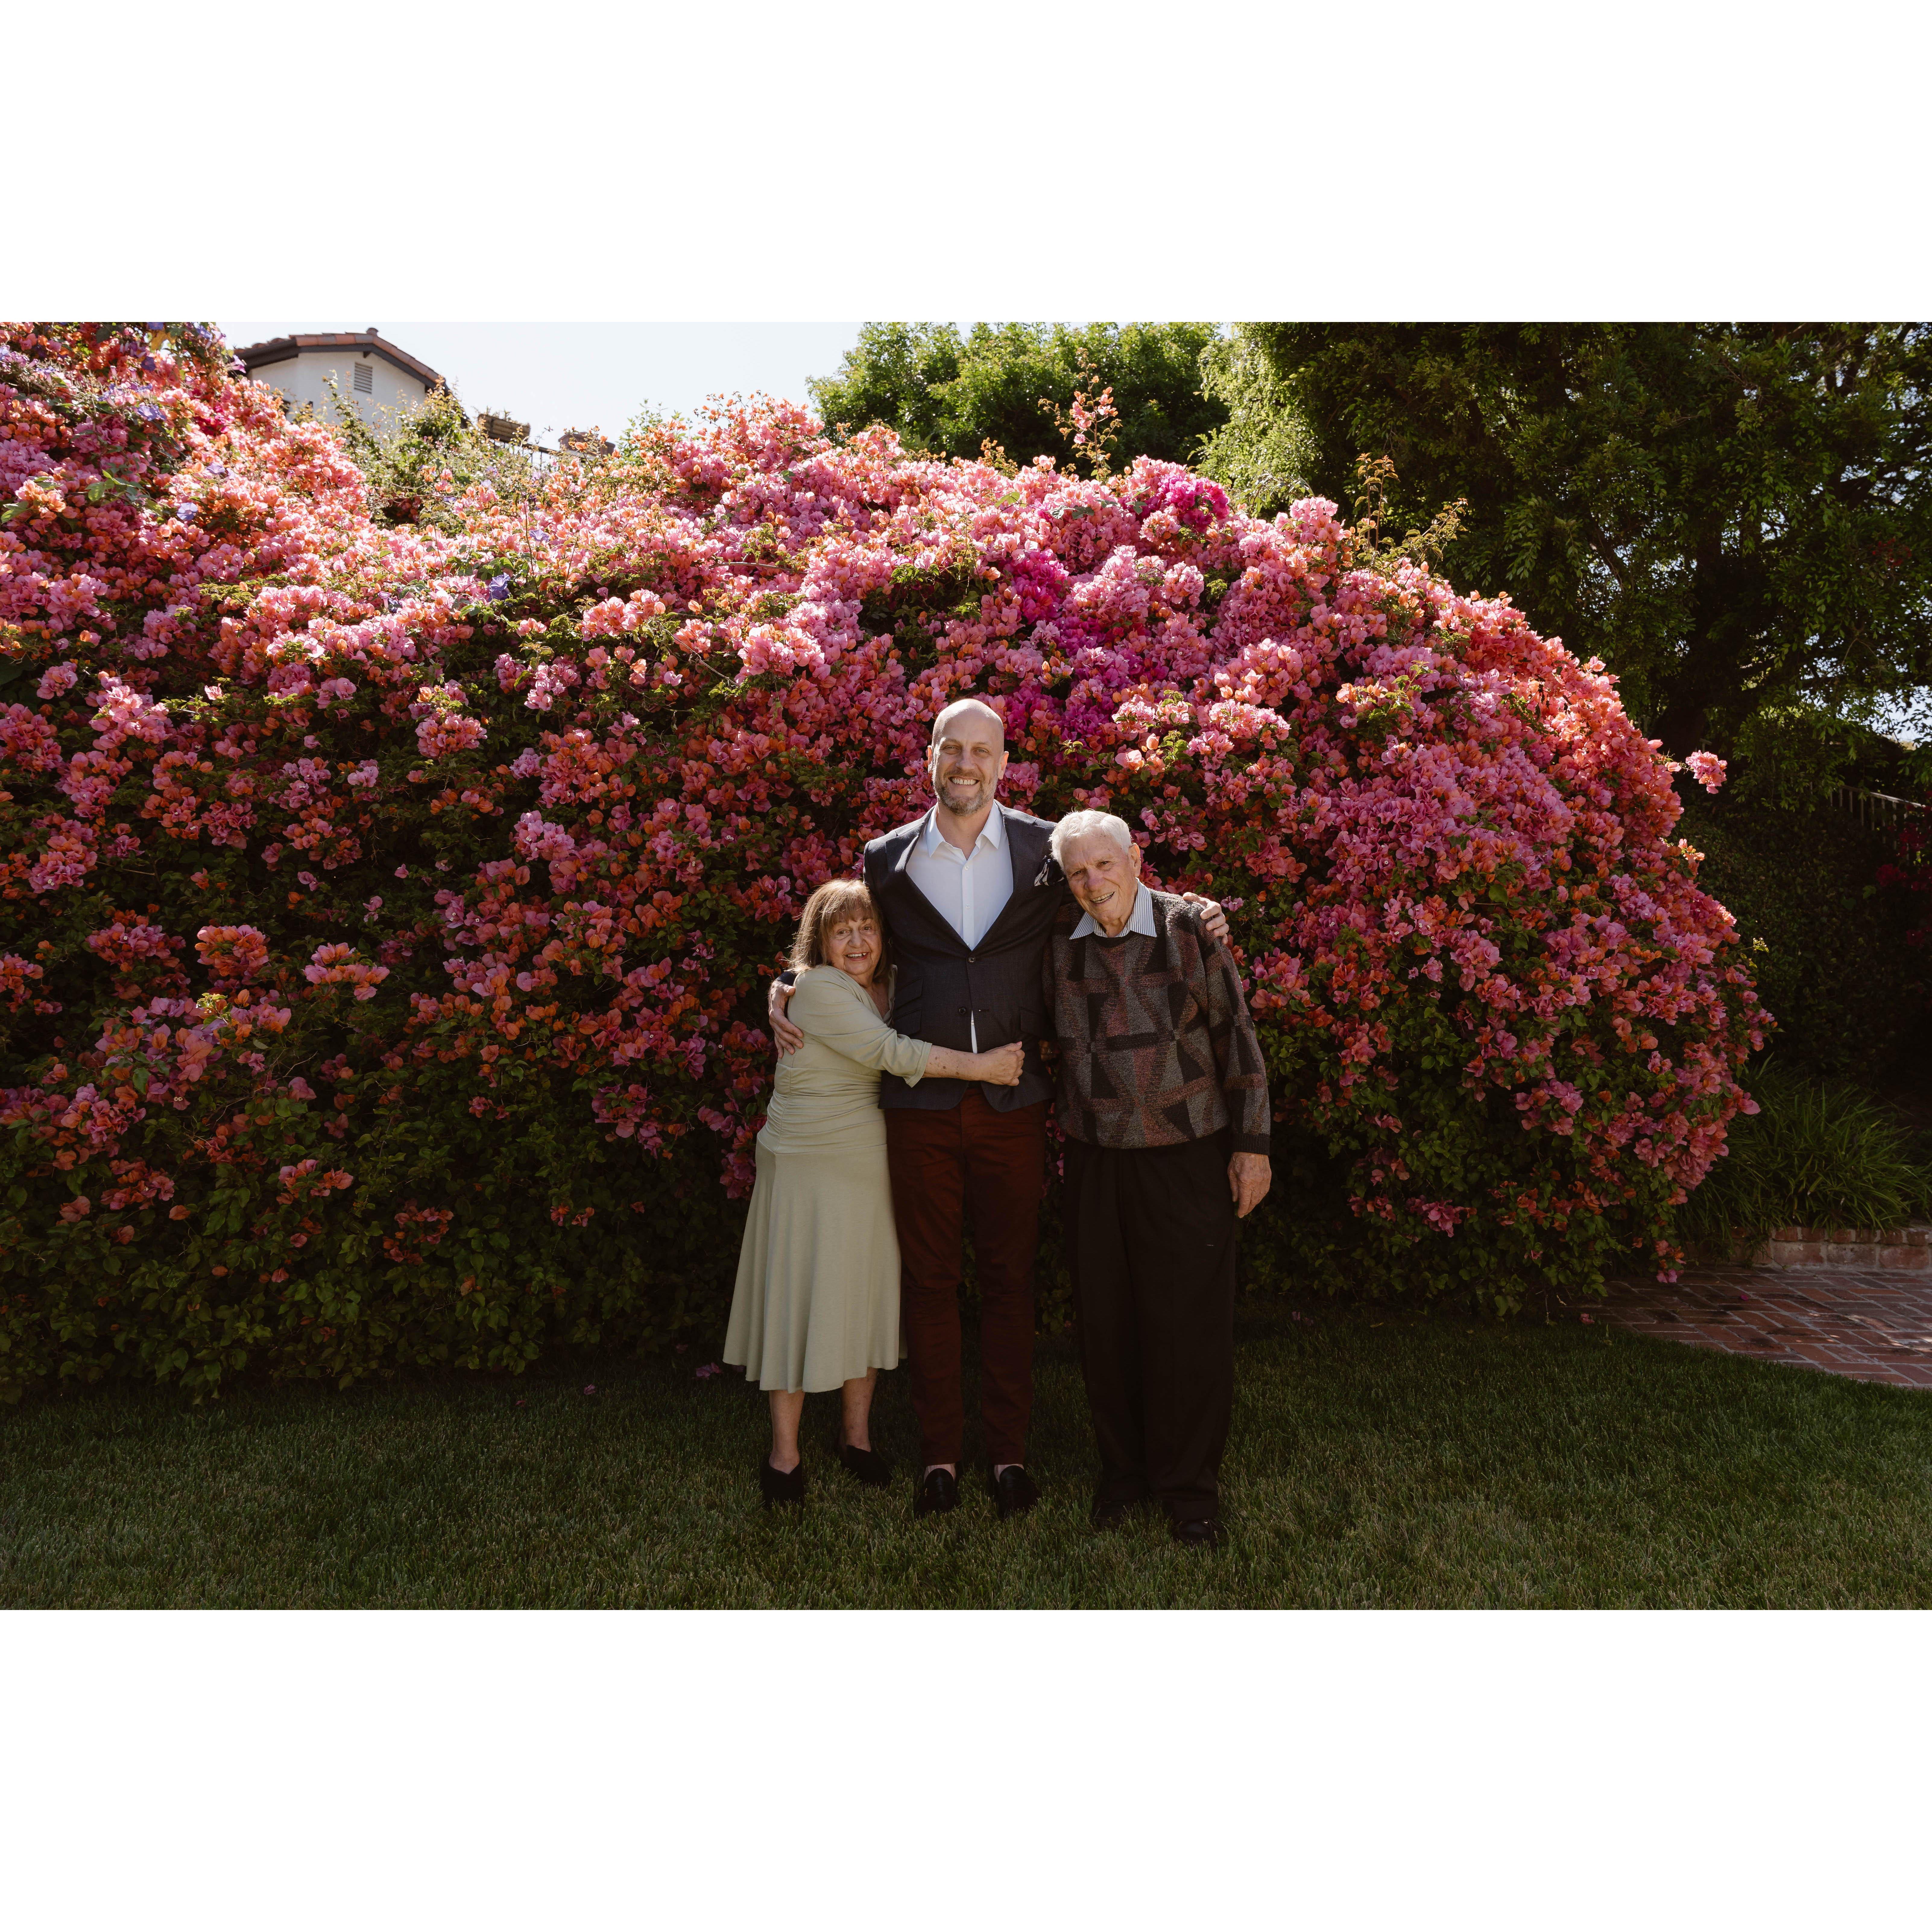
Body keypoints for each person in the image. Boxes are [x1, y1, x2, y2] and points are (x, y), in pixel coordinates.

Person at [769, 696, 1229, 1521]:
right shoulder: (886, 859)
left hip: (1015, 1100)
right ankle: (940, 1457)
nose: (966, 764)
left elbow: (1113, 888)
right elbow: (854, 951)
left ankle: (1009, 1454)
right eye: (953, 748)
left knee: (1011, 1280)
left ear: (1003, 763)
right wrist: (789, 987)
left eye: (982, 751)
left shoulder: (1043, 850)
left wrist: (1193, 907)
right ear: (930, 758)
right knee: (930, 1282)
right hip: (919, 1106)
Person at [725, 879, 1024, 1506]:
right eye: (842, 931)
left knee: (863, 1293)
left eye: (868, 928)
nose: (857, 941)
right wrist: (983, 1067)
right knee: (798, 1295)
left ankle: (856, 1439)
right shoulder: (820, 990)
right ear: (820, 942)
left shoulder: (888, 984)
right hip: (808, 1161)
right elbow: (889, 1052)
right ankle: (785, 1454)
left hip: (868, 1158)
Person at [1043, 809, 1273, 1549]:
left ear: (1136, 858)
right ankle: (1124, 1477)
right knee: (1106, 1328)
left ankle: (1189, 1492)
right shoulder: (1057, 938)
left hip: (1187, 1155)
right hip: (1096, 1157)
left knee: (1188, 1331)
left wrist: (1253, 1146)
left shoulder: (1188, 928)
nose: (1094, 882)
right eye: (1078, 872)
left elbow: (1237, 1038)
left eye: (1104, 864)